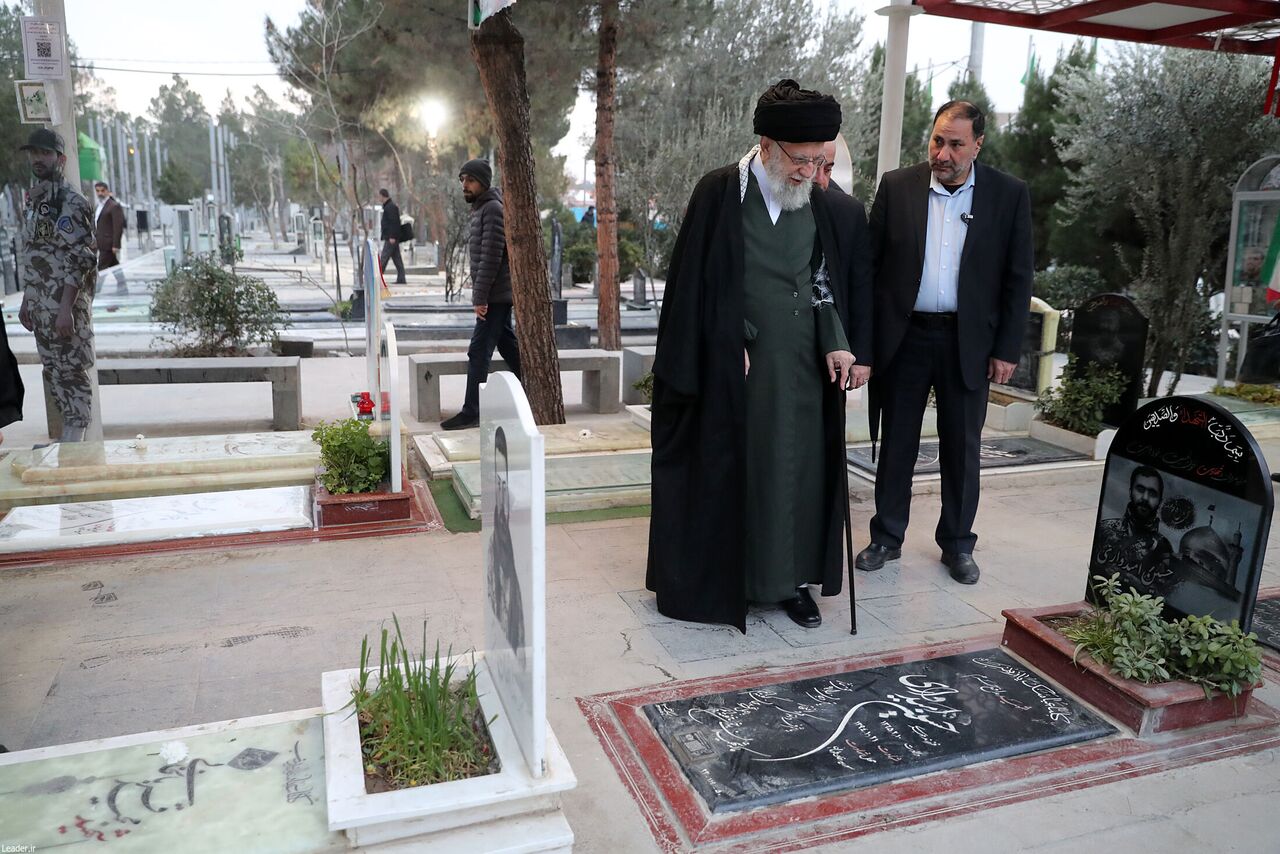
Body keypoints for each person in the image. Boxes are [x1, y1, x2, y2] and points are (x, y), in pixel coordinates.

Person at [646, 79, 871, 632]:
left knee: (796, 472)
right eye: (800, 159)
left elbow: (822, 282)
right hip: (738, 369)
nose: (809, 172)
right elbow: (696, 289)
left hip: (801, 368)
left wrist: (837, 339)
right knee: (746, 470)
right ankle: (738, 581)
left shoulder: (818, 203)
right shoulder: (719, 193)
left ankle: (791, 583)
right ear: (767, 146)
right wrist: (729, 339)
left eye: (820, 160)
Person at [855, 100, 1033, 585]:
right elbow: (869, 272)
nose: (944, 152)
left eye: (956, 144)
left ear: (977, 144)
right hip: (905, 337)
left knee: (962, 447)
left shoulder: (1007, 194)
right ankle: (886, 537)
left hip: (968, 341)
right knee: (897, 444)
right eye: (938, 140)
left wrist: (1007, 349)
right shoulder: (897, 186)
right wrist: (865, 348)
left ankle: (956, 544)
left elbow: (1018, 279)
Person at [17, 128, 97, 444]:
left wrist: (66, 308)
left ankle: (75, 450)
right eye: (34, 153)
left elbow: (80, 258)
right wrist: (27, 301)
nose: (38, 158)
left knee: (72, 374)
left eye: (45, 153)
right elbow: (36, 255)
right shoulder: (37, 202)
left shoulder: (72, 203)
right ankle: (68, 445)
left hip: (65, 310)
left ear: (60, 159)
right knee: (54, 374)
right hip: (41, 307)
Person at [441, 158, 522, 431]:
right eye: (462, 180)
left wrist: (480, 297)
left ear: (483, 182)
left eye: (470, 180)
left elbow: (490, 258)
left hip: (495, 297)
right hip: (495, 294)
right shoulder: (481, 209)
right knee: (509, 346)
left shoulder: (492, 210)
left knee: (478, 352)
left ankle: (471, 411)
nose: (465, 185)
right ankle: (534, 393)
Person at [1095, 465, 1173, 594]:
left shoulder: (1162, 548)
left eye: (1152, 493)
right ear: (1131, 491)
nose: (1145, 498)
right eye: (1140, 489)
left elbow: (1161, 595)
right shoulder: (1105, 528)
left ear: (1160, 500)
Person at [93, 181, 127, 294]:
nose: (100, 193)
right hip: (101, 243)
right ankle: (123, 288)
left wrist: (116, 245)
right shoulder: (99, 206)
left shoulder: (114, 206)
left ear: (107, 191)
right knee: (114, 265)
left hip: (108, 244)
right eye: (97, 191)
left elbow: (118, 226)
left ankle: (95, 291)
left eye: (102, 191)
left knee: (101, 268)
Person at [377, 188, 406, 285]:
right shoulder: (388, 207)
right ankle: (401, 278)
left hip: (391, 238)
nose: (379, 198)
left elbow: (394, 223)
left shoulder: (391, 207)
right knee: (397, 258)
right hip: (390, 237)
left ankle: (378, 277)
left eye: (379, 196)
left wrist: (392, 236)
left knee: (384, 257)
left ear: (382, 196)